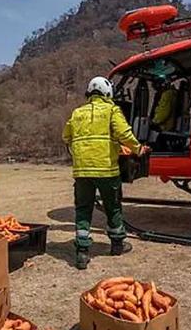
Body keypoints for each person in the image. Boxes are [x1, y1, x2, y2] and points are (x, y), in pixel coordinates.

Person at [62, 76, 148, 270]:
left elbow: (65, 136)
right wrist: (138, 149)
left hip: (82, 173)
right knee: (113, 207)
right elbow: (124, 133)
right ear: (107, 92)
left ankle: (82, 252)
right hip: (107, 171)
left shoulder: (77, 113)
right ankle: (117, 244)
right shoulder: (111, 110)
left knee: (83, 209)